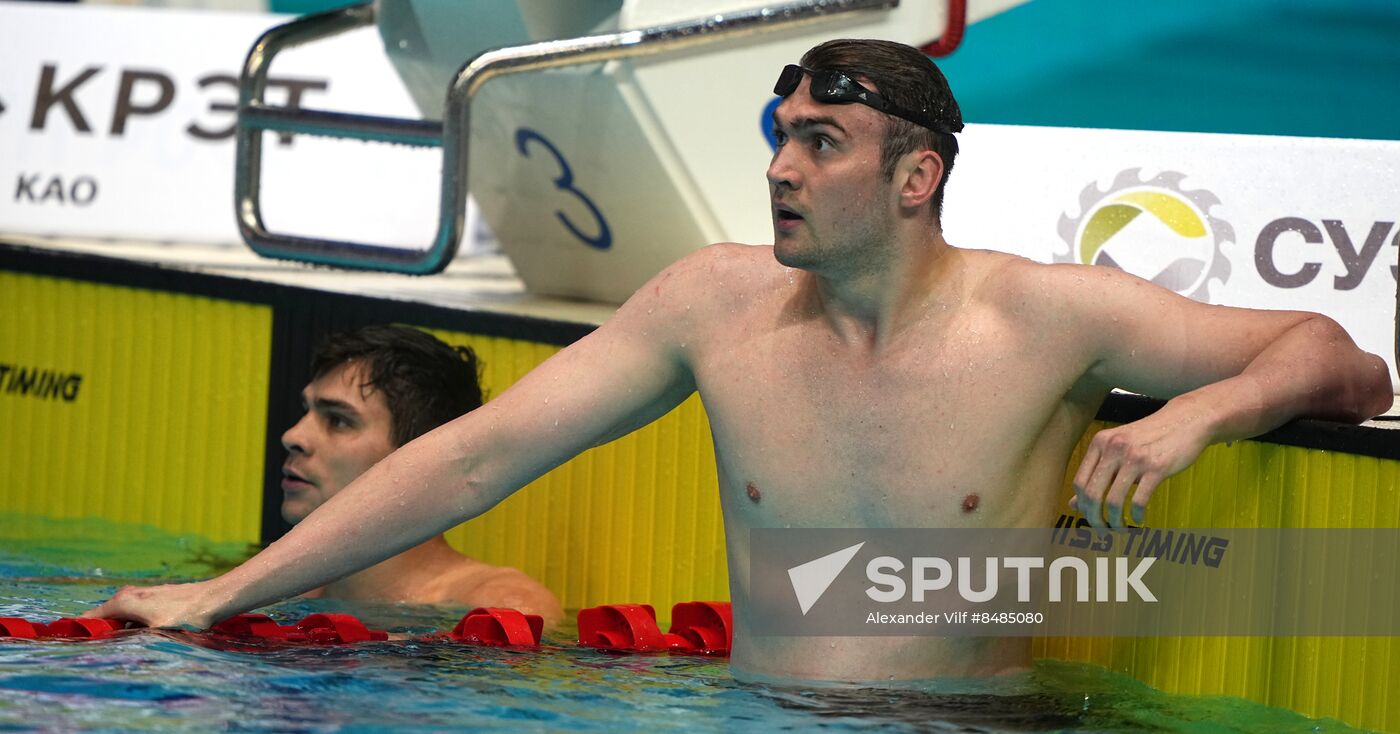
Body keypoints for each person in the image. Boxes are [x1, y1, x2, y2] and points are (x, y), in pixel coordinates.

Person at [90, 40, 1391, 682]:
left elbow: (1342, 360)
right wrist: (225, 596)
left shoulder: (1044, 319)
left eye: (822, 143)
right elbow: (478, 452)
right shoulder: (717, 302)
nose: (779, 166)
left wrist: (1201, 412)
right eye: (782, 137)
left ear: (914, 177)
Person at [270, 324, 561, 626]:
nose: (293, 436)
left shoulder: (501, 609)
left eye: (339, 420)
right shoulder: (283, 594)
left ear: (421, 458)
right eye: (306, 411)